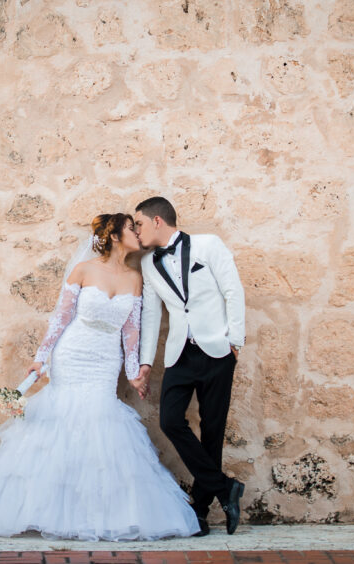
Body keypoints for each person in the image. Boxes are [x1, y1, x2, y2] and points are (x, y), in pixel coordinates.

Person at [0, 213, 200, 541]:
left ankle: (96, 514)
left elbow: (132, 330)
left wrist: (133, 373)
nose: (137, 233)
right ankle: (43, 510)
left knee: (100, 421)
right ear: (115, 235)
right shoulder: (83, 270)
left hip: (105, 360)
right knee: (65, 419)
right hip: (73, 353)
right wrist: (40, 358)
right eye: (131, 228)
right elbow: (61, 317)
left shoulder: (134, 278)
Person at [131, 196, 246, 537]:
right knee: (170, 420)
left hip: (216, 351)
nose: (135, 230)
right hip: (180, 355)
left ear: (156, 221)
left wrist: (234, 340)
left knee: (212, 432)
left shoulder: (208, 245)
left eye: (138, 223)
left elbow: (233, 290)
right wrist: (146, 363)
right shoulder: (149, 264)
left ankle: (200, 511)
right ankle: (226, 490)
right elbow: (152, 315)